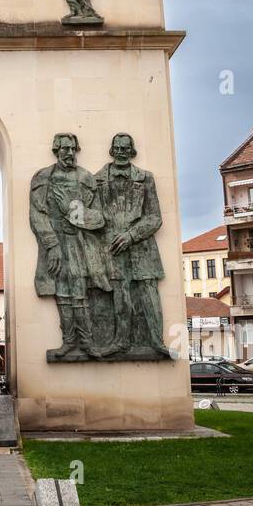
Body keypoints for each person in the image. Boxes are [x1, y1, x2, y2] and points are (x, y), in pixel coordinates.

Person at [29, 132, 112, 359]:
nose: (69, 153)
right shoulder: (43, 177)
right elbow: (37, 216)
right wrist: (52, 245)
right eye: (64, 148)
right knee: (62, 293)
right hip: (56, 243)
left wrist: (72, 212)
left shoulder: (85, 178)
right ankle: (68, 342)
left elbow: (100, 217)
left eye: (72, 149)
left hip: (80, 243)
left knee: (80, 292)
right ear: (56, 150)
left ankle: (87, 343)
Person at [94, 132, 168, 358]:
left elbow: (154, 217)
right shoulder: (97, 180)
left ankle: (156, 340)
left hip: (142, 248)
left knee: (149, 293)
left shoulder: (145, 178)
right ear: (111, 150)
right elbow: (93, 216)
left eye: (125, 148)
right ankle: (121, 341)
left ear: (132, 151)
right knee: (120, 295)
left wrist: (132, 235)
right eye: (117, 147)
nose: (121, 152)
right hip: (112, 248)